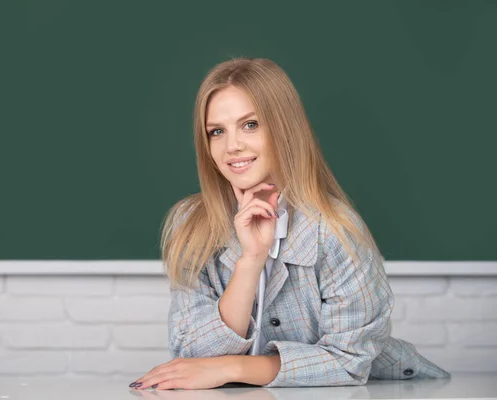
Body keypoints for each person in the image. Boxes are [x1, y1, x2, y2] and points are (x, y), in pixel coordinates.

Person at [130, 58, 451, 390]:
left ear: (283, 127)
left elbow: (349, 362)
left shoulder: (336, 230)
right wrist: (250, 260)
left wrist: (231, 368)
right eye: (217, 131)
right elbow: (191, 354)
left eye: (250, 124)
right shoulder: (190, 225)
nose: (232, 146)